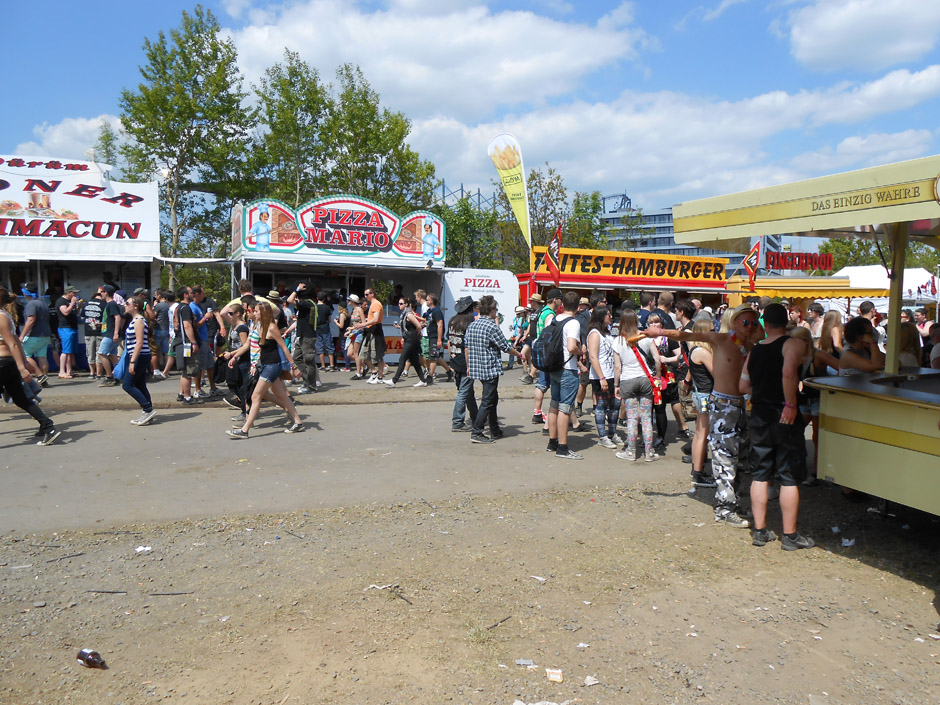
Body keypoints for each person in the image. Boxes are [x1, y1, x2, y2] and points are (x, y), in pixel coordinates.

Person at [647, 304, 761, 528]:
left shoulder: (750, 346)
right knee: (724, 457)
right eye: (745, 322)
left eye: (754, 323)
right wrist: (659, 332)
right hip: (723, 405)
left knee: (741, 458)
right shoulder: (722, 339)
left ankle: (734, 502)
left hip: (742, 406)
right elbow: (686, 335)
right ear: (735, 323)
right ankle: (725, 509)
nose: (750, 326)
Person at [741, 303, 814, 550]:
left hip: (760, 415)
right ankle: (790, 536)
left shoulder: (754, 351)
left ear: (766, 323)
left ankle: (760, 532)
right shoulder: (793, 344)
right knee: (788, 475)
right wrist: (790, 404)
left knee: (760, 473)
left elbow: (743, 386)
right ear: (786, 322)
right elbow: (788, 372)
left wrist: (763, 393)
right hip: (784, 415)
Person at [227, 301, 303, 439]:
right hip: (264, 365)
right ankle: (298, 422)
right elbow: (254, 347)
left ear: (263, 313)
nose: (254, 313)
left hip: (272, 366)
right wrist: (238, 358)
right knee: (281, 395)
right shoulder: (258, 325)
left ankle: (245, 430)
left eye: (256, 311)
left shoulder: (271, 327)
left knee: (255, 396)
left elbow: (283, 347)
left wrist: (294, 366)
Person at [0, 287, 60, 445]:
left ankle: (48, 427)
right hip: (8, 364)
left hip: (3, 363)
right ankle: (48, 428)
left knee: (21, 399)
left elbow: (13, 343)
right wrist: (23, 362)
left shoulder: (1, 317)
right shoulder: (5, 315)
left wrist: (22, 366)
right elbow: (16, 341)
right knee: (21, 399)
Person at [465, 295, 522, 443]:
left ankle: (494, 428)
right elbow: (505, 346)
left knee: (492, 398)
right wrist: (520, 355)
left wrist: (468, 366)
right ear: (490, 309)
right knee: (487, 401)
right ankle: (477, 432)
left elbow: (467, 346)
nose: (496, 312)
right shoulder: (491, 326)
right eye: (495, 309)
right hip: (489, 368)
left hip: (477, 367)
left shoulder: (473, 325)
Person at [788, 326, 839, 483]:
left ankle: (817, 472)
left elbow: (841, 368)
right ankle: (797, 467)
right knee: (794, 433)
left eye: (795, 341)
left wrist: (829, 386)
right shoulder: (794, 355)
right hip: (803, 400)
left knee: (817, 437)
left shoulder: (818, 355)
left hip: (818, 400)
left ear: (805, 341)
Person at [611, 310, 658, 462]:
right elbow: (657, 359)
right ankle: (649, 452)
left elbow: (617, 367)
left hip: (628, 380)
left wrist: (616, 385)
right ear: (637, 321)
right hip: (645, 380)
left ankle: (631, 451)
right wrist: (657, 376)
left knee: (631, 418)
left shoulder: (618, 341)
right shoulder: (645, 337)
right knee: (646, 417)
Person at [545, 291, 586, 460]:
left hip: (553, 367)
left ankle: (552, 442)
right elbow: (571, 347)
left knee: (554, 404)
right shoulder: (573, 323)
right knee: (565, 408)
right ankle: (562, 447)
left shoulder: (553, 319)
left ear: (562, 304)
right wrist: (580, 351)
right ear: (577, 307)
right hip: (567, 369)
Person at [646, 313, 691, 451]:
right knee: (650, 408)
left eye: (656, 322)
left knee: (663, 407)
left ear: (661, 324)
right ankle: (647, 437)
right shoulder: (645, 338)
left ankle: (661, 437)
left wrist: (667, 359)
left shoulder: (668, 339)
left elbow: (680, 356)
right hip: (649, 377)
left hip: (668, 378)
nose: (653, 325)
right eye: (651, 323)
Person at [687, 319, 717, 488]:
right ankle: (698, 473)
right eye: (711, 330)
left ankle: (696, 469)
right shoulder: (702, 352)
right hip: (706, 395)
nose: (714, 332)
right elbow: (717, 372)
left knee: (699, 433)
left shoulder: (695, 350)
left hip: (700, 394)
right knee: (702, 434)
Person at [586, 305, 621, 449]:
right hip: (601, 375)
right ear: (601, 316)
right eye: (607, 314)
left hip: (612, 374)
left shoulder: (607, 332)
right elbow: (593, 357)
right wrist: (602, 378)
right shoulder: (594, 333)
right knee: (601, 405)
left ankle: (613, 432)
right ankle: (602, 436)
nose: (610, 316)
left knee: (615, 405)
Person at [120, 296, 156, 426]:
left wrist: (132, 362)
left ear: (135, 306)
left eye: (127, 303)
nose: (125, 305)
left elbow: (139, 342)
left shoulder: (139, 321)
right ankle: (147, 413)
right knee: (140, 385)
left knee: (127, 385)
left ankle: (148, 409)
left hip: (139, 356)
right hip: (138, 355)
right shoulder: (134, 320)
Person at [448, 296, 478, 432]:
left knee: (468, 392)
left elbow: (449, 342)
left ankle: (476, 416)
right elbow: (468, 348)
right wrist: (470, 366)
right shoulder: (469, 323)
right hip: (465, 362)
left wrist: (451, 359)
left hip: (455, 360)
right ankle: (457, 422)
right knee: (463, 392)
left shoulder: (452, 321)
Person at [385, 296, 429, 387]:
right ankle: (423, 380)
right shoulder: (404, 315)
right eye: (398, 303)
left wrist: (415, 335)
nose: (399, 305)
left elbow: (418, 326)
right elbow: (407, 327)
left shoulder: (409, 314)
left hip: (411, 339)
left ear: (406, 304)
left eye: (401, 304)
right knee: (414, 360)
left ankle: (394, 380)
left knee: (402, 358)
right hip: (409, 338)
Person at [286, 283, 320, 394]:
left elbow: (289, 300)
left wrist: (297, 289)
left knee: (309, 362)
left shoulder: (307, 303)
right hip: (303, 335)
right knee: (296, 358)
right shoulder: (308, 304)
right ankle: (307, 381)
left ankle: (311, 386)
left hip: (308, 336)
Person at [172, 286, 203, 405]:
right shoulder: (185, 308)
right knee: (188, 371)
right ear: (185, 295)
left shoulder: (178, 307)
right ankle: (187, 397)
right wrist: (193, 342)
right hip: (186, 343)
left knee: (184, 370)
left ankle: (182, 393)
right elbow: (187, 325)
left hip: (180, 341)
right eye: (191, 293)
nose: (193, 294)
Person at [18, 282, 51, 384]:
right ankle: (44, 379)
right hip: (45, 335)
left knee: (24, 355)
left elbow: (31, 320)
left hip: (34, 335)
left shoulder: (31, 304)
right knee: (42, 357)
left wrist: (22, 336)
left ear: (25, 292)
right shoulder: (43, 303)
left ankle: (40, 376)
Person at [354, 287, 386, 383]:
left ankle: (380, 377)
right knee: (363, 355)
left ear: (372, 294)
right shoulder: (373, 304)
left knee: (378, 356)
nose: (365, 296)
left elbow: (376, 319)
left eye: (367, 294)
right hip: (370, 331)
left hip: (376, 331)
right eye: (365, 294)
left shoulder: (376, 304)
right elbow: (373, 319)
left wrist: (363, 324)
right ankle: (374, 372)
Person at [97, 285, 123, 386]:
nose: (101, 294)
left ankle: (109, 377)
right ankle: (118, 376)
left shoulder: (112, 304)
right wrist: (102, 324)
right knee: (112, 355)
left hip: (110, 334)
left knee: (101, 354)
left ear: (106, 293)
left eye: (102, 292)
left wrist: (116, 332)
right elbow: (111, 319)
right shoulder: (109, 304)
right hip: (109, 332)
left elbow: (117, 317)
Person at [55, 286, 81, 378]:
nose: (75, 295)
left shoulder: (69, 302)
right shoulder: (61, 301)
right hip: (65, 328)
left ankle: (69, 371)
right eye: (74, 293)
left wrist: (78, 307)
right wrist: (72, 303)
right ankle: (62, 371)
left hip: (73, 327)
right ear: (69, 292)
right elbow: (65, 312)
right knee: (65, 351)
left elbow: (73, 313)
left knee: (70, 351)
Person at [424, 293, 450, 383]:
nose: (426, 301)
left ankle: (430, 376)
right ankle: (449, 371)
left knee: (433, 357)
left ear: (431, 301)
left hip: (436, 337)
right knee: (436, 356)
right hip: (431, 336)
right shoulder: (430, 311)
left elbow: (440, 325)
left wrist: (439, 339)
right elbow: (428, 322)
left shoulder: (436, 311)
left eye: (427, 300)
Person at [519, 293, 544, 384]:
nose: (530, 303)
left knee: (536, 357)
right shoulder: (533, 312)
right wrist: (525, 335)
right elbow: (530, 324)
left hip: (538, 337)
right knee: (524, 354)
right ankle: (528, 373)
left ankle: (532, 375)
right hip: (531, 337)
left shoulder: (541, 311)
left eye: (532, 301)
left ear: (536, 302)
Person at [345, 294, 365, 379]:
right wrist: (349, 331)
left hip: (359, 333)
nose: (348, 302)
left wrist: (352, 328)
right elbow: (353, 324)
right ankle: (364, 365)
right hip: (353, 333)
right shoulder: (353, 310)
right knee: (349, 354)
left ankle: (358, 373)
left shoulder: (359, 309)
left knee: (356, 353)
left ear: (353, 301)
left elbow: (363, 323)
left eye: (349, 300)